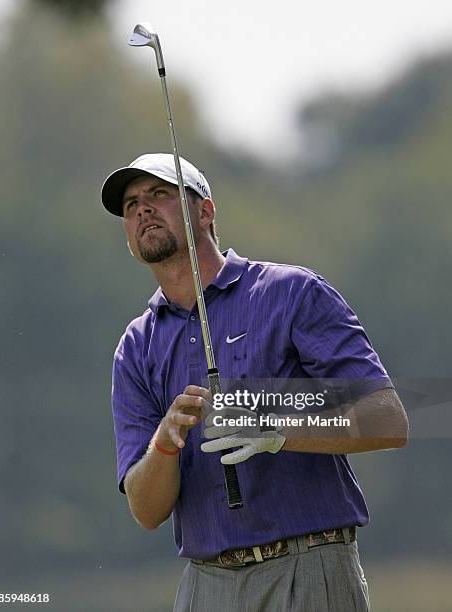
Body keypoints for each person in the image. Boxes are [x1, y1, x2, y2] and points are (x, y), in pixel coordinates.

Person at [101, 153, 408, 612]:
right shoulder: (135, 346)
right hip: (205, 585)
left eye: (160, 194)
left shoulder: (292, 293)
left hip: (311, 568)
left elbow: (387, 418)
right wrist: (164, 444)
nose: (142, 208)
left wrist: (277, 429)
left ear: (205, 210)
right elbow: (147, 511)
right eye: (130, 205)